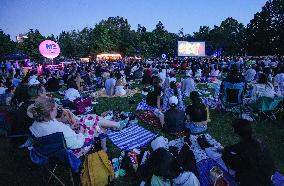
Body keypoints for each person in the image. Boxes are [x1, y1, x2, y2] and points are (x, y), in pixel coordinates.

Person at [28, 97, 128, 157]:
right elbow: (78, 144)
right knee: (98, 128)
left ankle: (115, 125)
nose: (58, 109)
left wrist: (71, 129)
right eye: (56, 108)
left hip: (51, 151)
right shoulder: (59, 128)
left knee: (92, 118)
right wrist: (80, 132)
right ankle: (113, 130)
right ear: (50, 112)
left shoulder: (35, 125)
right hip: (72, 152)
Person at [222, 119, 275, 186]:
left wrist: (225, 153)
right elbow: (237, 147)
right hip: (268, 174)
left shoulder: (246, 152)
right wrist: (227, 149)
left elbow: (235, 164)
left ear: (237, 132)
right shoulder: (257, 143)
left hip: (256, 180)